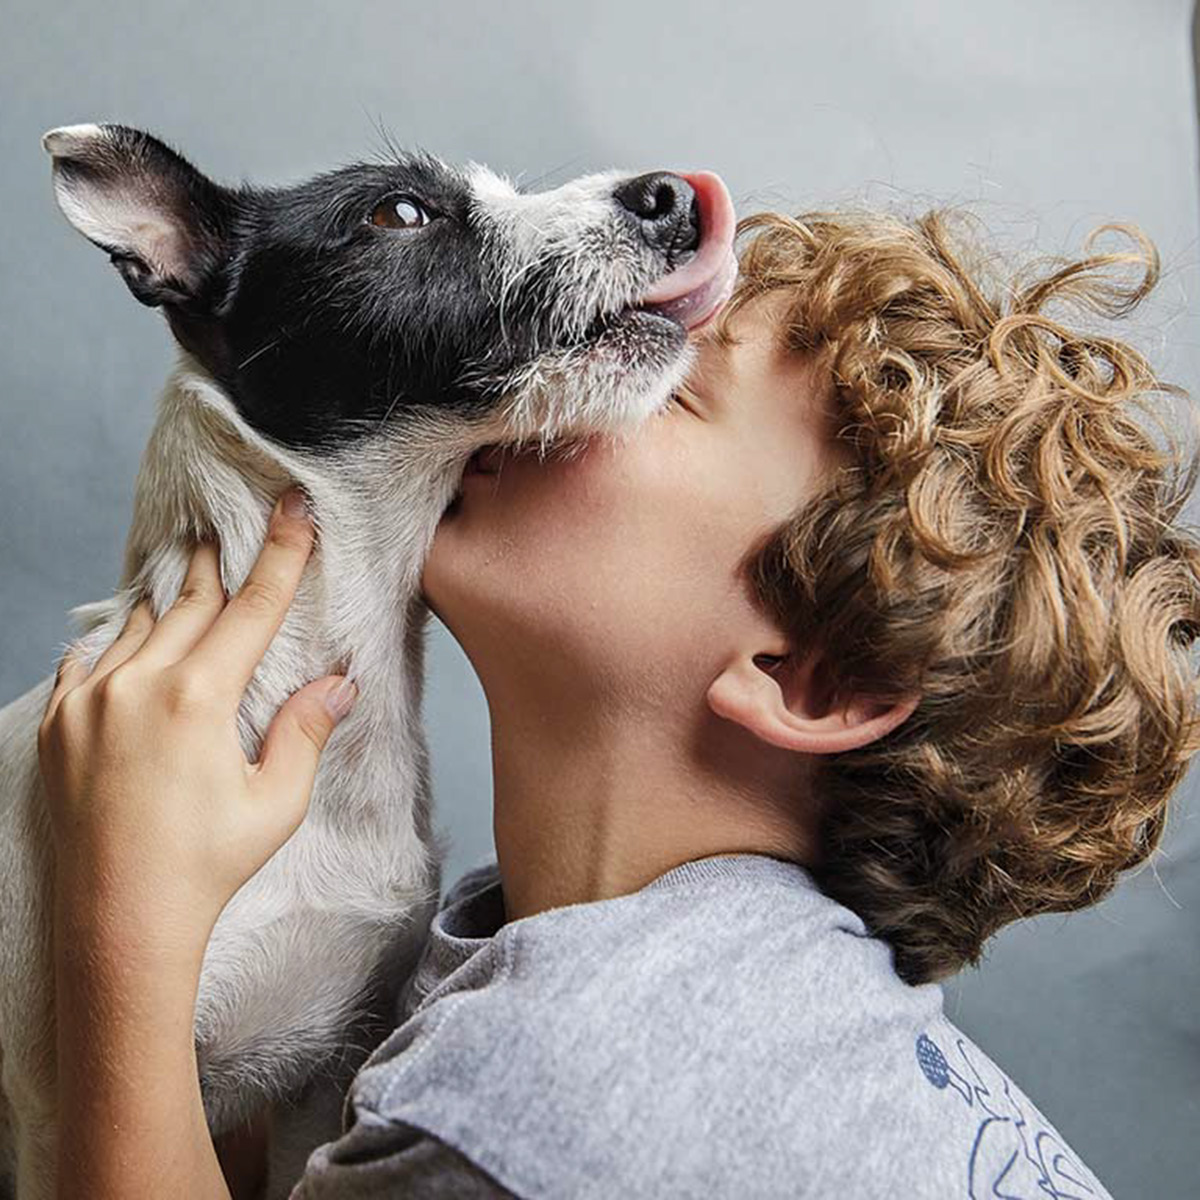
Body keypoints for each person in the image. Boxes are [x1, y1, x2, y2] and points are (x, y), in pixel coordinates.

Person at [37, 205, 1200, 1199]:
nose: (581, 360)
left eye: (674, 387)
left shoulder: (548, 1092)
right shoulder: (682, 1007)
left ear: (809, 680)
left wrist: (119, 925)